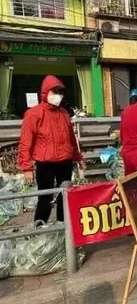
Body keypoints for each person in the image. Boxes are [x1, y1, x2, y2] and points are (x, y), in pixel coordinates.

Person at [18, 75, 86, 224]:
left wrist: (78, 158)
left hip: (65, 162)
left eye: (60, 92)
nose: (58, 96)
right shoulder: (33, 114)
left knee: (65, 196)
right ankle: (40, 226)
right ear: (45, 92)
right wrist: (27, 167)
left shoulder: (63, 114)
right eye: (54, 92)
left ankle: (64, 226)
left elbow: (71, 139)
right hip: (45, 163)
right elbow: (25, 142)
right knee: (45, 197)